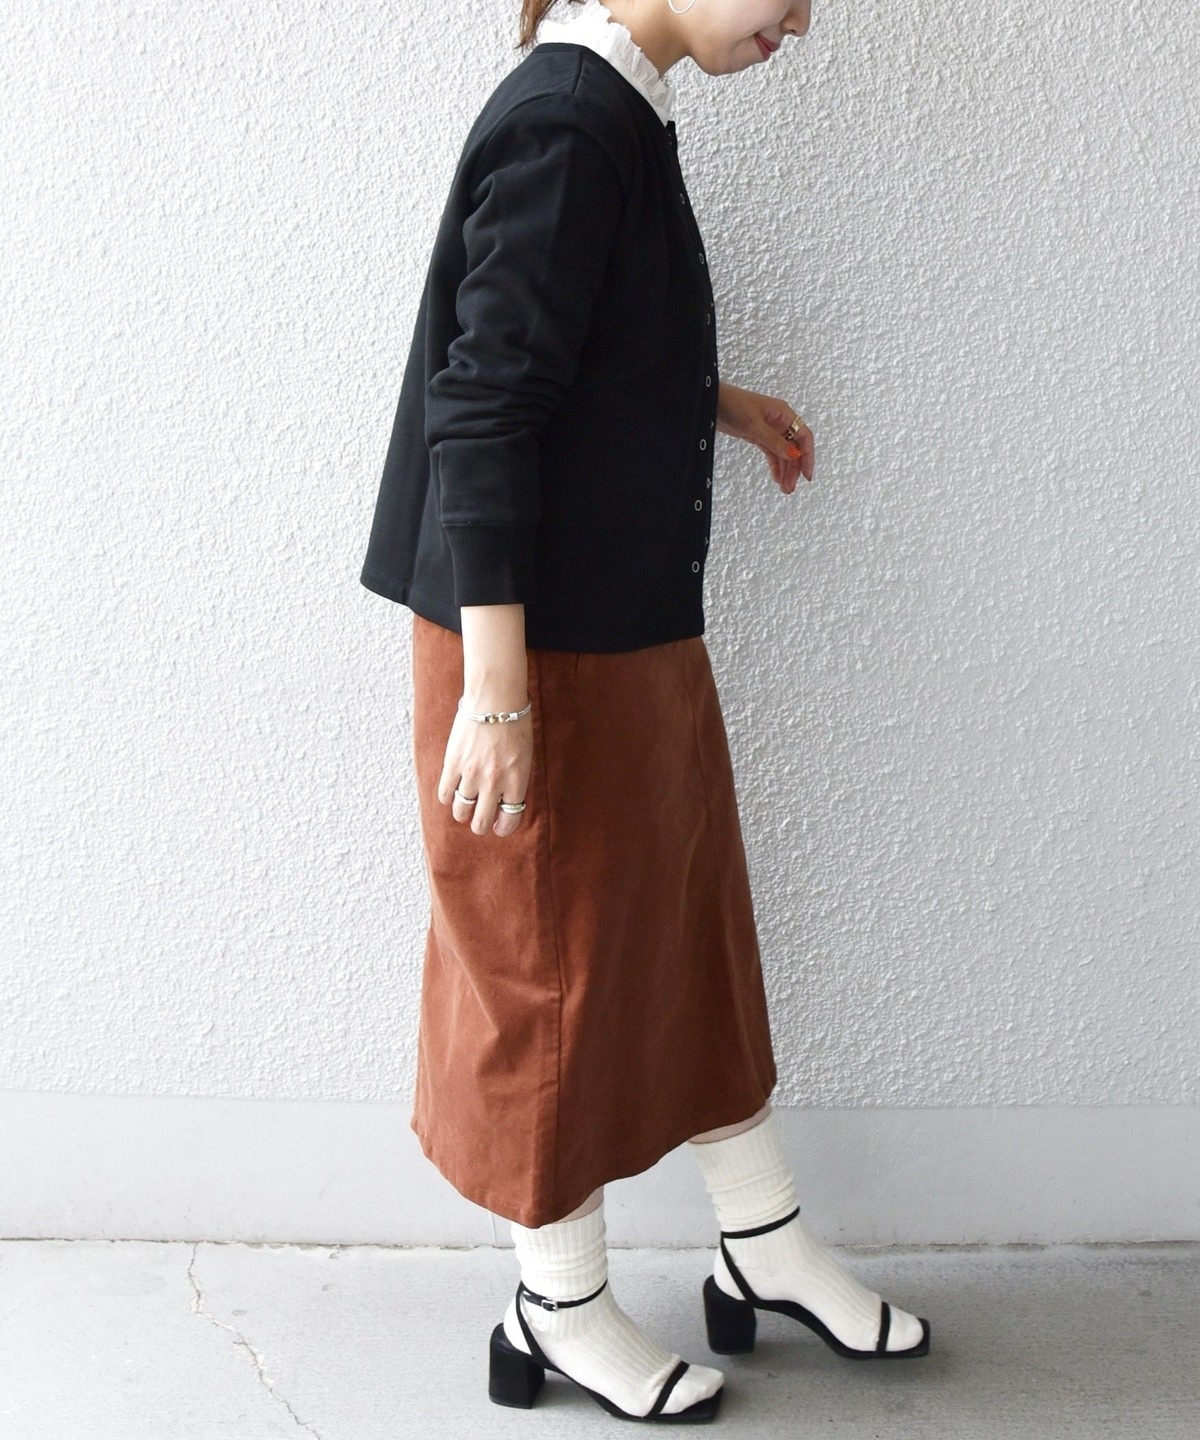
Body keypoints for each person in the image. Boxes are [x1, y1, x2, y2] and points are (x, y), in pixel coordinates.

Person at [359, 0, 931, 1423]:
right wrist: (498, 693)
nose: (805, 17)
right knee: (543, 975)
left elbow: (576, 350)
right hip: (533, 650)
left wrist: (711, 402)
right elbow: (482, 405)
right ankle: (554, 1307)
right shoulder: (568, 119)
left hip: (615, 630)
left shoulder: (617, 108)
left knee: (686, 927)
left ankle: (761, 1242)